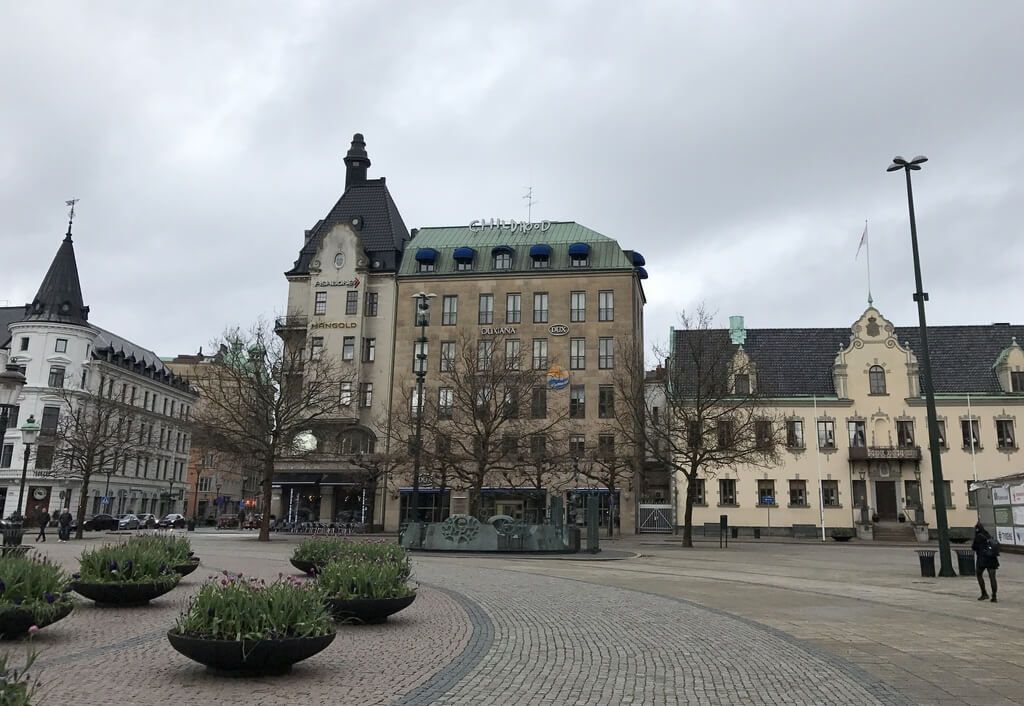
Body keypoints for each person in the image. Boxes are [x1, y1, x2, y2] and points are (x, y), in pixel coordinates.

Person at [972, 523, 1000, 603]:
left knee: (979, 575)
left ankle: (984, 593)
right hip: (992, 559)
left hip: (982, 559)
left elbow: (974, 547)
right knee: (992, 578)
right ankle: (994, 596)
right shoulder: (988, 535)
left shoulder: (978, 537)